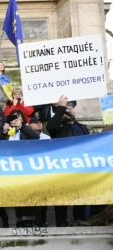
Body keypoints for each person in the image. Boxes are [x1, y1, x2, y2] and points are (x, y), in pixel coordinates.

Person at [47, 95, 90, 227]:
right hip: (62, 166)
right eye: (67, 109)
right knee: (61, 194)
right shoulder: (57, 127)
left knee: (80, 193)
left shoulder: (81, 127)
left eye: (72, 109)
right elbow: (51, 126)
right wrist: (60, 108)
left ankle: (79, 218)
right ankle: (61, 221)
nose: (70, 111)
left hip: (79, 166)